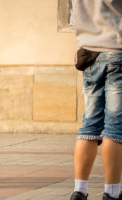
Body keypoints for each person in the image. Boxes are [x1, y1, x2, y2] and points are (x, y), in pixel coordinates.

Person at [69, 0, 122, 200]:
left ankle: (79, 190)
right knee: (115, 126)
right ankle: (112, 193)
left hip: (89, 54)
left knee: (89, 124)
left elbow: (74, 19)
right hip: (117, 50)